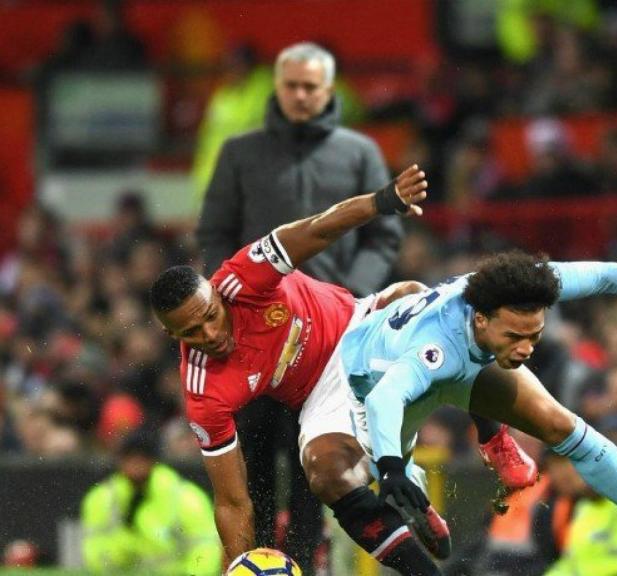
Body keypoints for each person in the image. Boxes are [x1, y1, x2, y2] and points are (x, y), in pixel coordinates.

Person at [194, 41, 531, 568]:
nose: (301, 96)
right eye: (292, 86)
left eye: (311, 87)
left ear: (329, 91)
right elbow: (213, 230)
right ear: (276, 89)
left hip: (338, 324)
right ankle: (257, 562)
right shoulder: (240, 152)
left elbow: (384, 234)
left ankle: (311, 557)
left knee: (318, 463)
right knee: (257, 462)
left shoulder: (357, 151)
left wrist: (352, 289)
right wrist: (230, 301)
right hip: (255, 336)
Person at [339, 250, 617, 575]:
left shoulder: (523, 292)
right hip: (370, 378)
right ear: (482, 320)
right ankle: (420, 478)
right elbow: (384, 400)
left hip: (461, 362)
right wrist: (392, 466)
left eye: (535, 334)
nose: (527, 347)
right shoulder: (434, 349)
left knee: (566, 427)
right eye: (516, 335)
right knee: (394, 457)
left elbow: (607, 275)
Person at [151, 168, 449, 575]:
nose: (210, 334)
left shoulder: (244, 275)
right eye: (191, 332)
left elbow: (319, 229)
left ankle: (491, 438)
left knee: (419, 300)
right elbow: (233, 502)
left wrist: (382, 201)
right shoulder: (204, 392)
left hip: (359, 327)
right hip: (319, 395)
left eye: (210, 316)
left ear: (216, 293)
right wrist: (236, 566)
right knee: (328, 478)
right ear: (171, 335)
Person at [80, 428, 220, 575]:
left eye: (142, 457)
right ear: (120, 460)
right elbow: (94, 556)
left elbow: (207, 550)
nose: (135, 464)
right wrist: (127, 544)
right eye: (130, 457)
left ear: (153, 460)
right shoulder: (101, 499)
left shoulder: (186, 498)